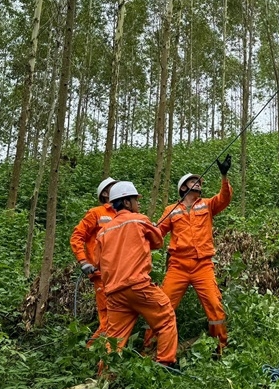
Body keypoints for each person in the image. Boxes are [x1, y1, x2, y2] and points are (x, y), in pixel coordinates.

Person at [151, 154, 232, 353]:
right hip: (178, 265)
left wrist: (224, 176)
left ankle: (219, 348)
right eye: (192, 181)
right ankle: (150, 349)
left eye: (198, 181)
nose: (198, 183)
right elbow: (158, 234)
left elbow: (225, 198)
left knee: (215, 306)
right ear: (183, 187)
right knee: (163, 306)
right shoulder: (172, 210)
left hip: (203, 265)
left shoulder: (207, 204)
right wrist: (147, 230)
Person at [96, 181, 178, 367]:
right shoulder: (139, 219)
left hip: (114, 294)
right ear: (126, 202)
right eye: (135, 200)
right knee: (166, 319)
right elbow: (158, 242)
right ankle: (166, 365)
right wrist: (150, 228)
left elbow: (98, 263)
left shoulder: (102, 232)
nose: (138, 203)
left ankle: (105, 377)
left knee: (114, 339)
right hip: (138, 285)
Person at [69, 177, 119, 343]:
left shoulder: (125, 214)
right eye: (113, 187)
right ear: (105, 193)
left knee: (119, 317)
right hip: (101, 274)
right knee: (108, 320)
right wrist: (84, 262)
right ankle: (91, 353)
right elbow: (77, 237)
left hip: (121, 273)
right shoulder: (96, 213)